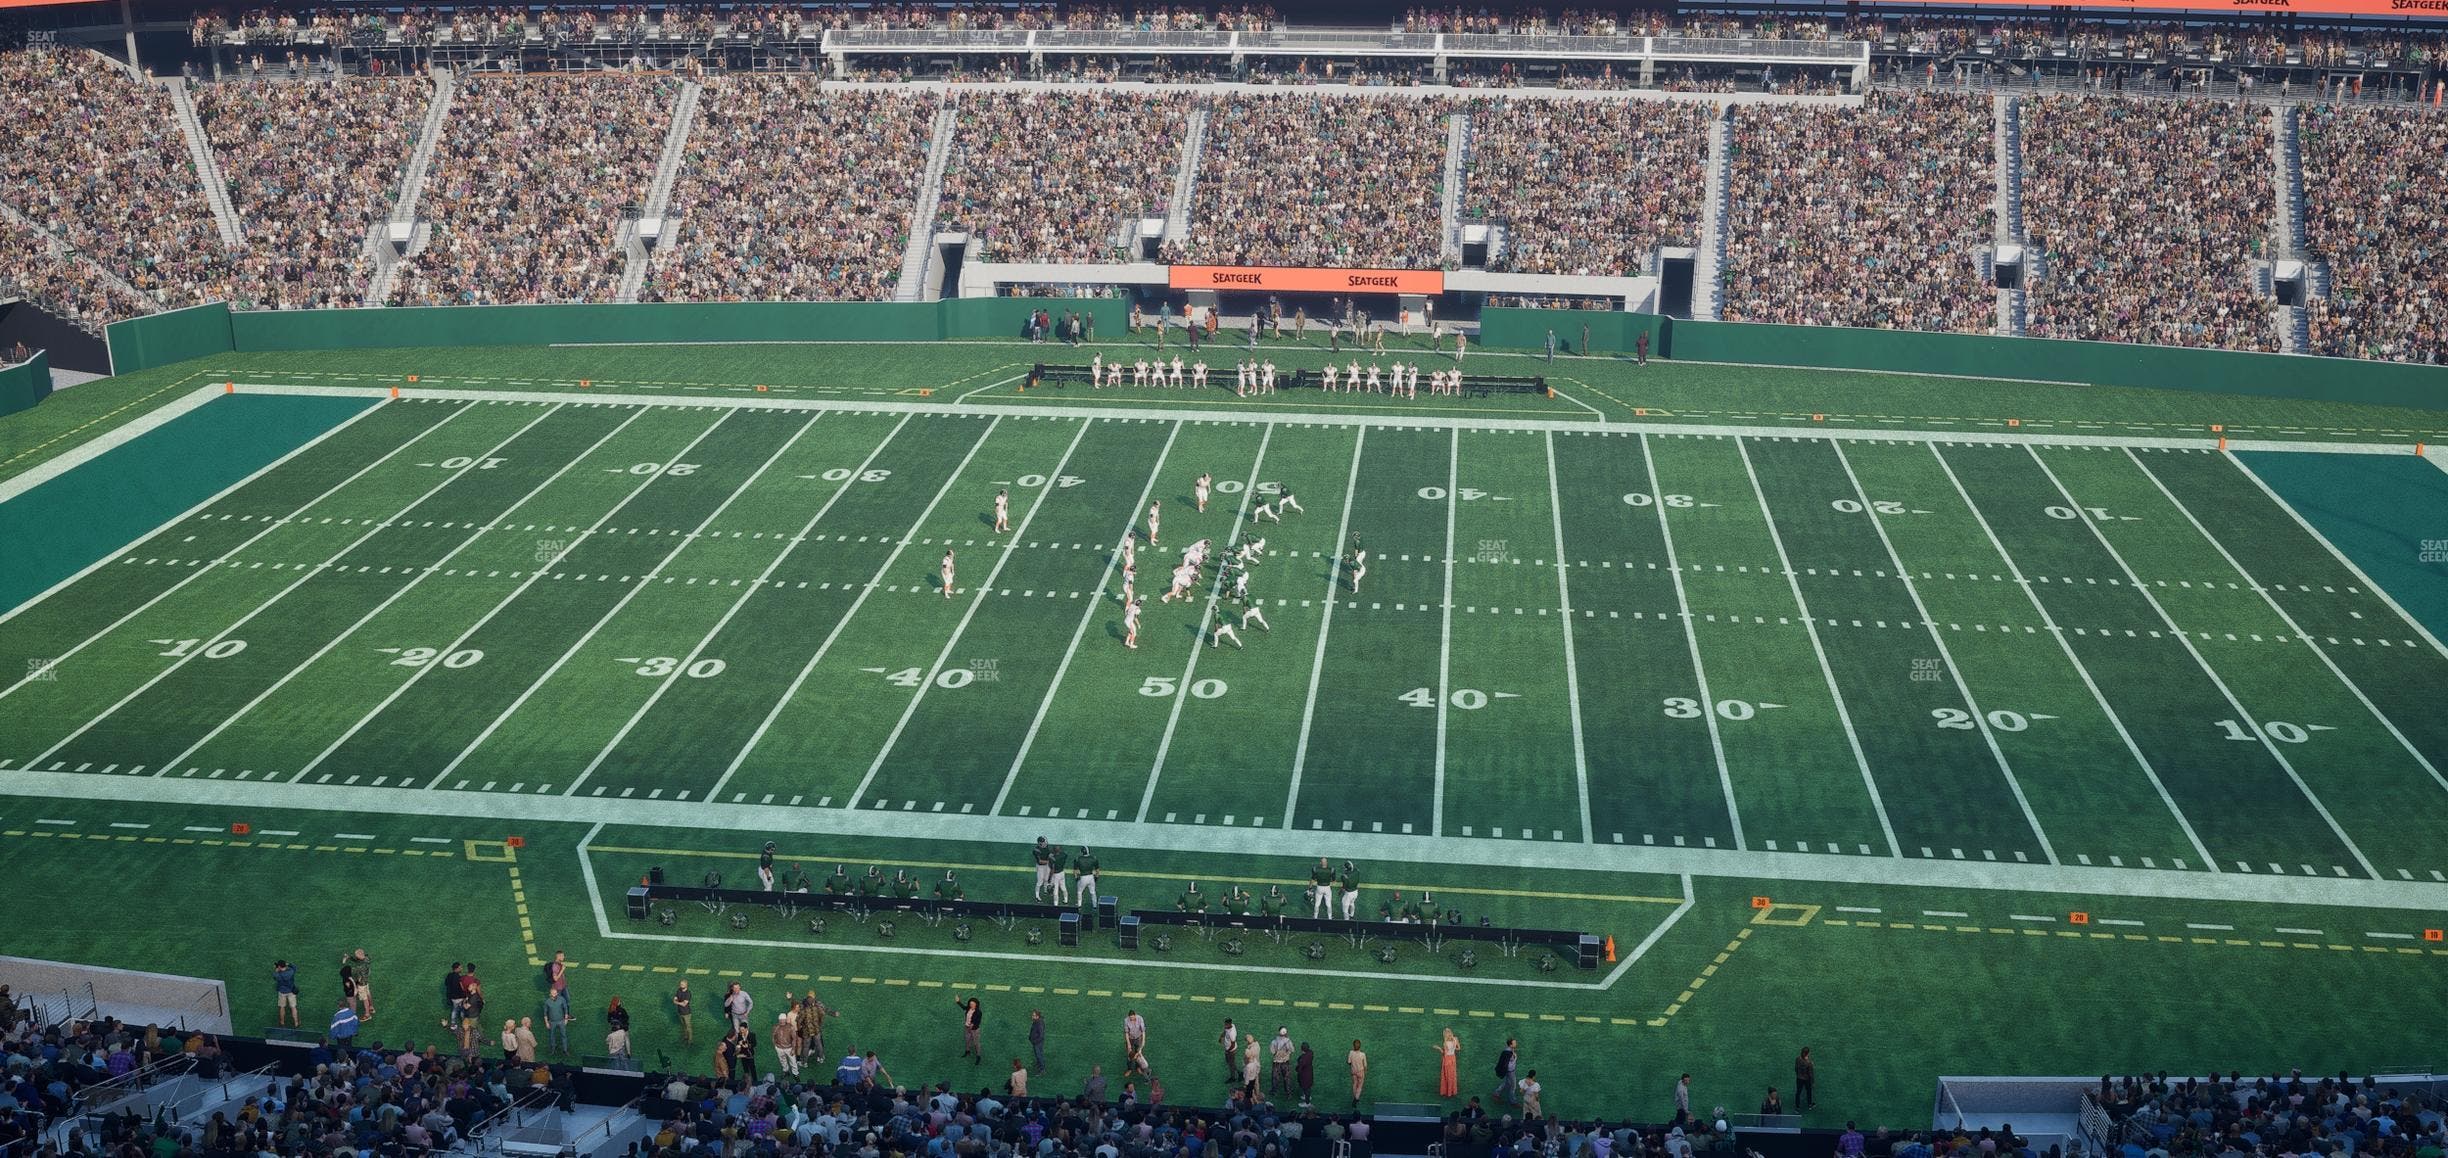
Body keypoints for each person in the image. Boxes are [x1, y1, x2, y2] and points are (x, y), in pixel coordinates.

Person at [543, 987, 570, 1054]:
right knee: (552, 1036)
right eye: (553, 993)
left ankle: (565, 1050)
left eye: (555, 993)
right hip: (552, 1022)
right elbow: (545, 1013)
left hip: (561, 1021)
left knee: (563, 1035)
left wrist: (566, 1019)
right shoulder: (547, 1002)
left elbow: (565, 1009)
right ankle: (553, 1049)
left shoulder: (562, 999)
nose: (554, 994)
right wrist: (546, 1022)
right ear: (550, 994)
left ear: (557, 993)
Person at [958, 996, 984, 1063]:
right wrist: (958, 1001)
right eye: (970, 1004)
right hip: (967, 1027)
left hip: (974, 1030)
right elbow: (963, 1007)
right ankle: (967, 1051)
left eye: (973, 1004)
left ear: (976, 1004)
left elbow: (978, 1021)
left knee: (976, 1043)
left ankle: (978, 1056)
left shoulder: (978, 1012)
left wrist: (973, 1024)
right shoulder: (969, 1008)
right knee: (967, 1040)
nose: (971, 1005)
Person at [273, 960, 298, 1028]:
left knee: (282, 1007)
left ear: (279, 967)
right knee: (293, 1007)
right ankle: (296, 1023)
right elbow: (295, 967)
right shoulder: (291, 971)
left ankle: (282, 1022)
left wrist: (276, 970)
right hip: (291, 991)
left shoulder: (278, 975)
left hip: (282, 992)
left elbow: (274, 976)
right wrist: (289, 964)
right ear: (285, 965)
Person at [1437, 1028, 1460, 1098]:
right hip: (1453, 1058)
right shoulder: (1456, 1039)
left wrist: (1439, 1048)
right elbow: (1459, 1048)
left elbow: (1445, 1053)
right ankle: (1452, 1091)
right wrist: (1453, 1048)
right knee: (1452, 1075)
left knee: (1447, 1075)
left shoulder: (1445, 1043)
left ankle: (1447, 1092)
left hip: (1447, 1059)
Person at [1494, 1037, 1518, 1105]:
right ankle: (1513, 1102)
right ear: (1510, 1045)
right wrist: (1515, 1058)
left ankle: (1496, 1093)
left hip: (1509, 1071)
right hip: (1510, 1071)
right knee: (1513, 1086)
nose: (1516, 1044)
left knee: (1506, 1083)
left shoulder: (1510, 1050)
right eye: (1514, 1043)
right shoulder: (1508, 1053)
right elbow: (1508, 1065)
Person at [671, 979, 694, 1044]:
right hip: (680, 1012)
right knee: (683, 1025)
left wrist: (677, 1002)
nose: (681, 985)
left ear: (686, 985)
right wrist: (679, 1002)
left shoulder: (688, 993)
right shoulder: (678, 990)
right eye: (680, 984)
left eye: (682, 984)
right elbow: (674, 1000)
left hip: (686, 1013)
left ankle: (690, 1040)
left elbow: (684, 1004)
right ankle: (686, 1037)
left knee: (688, 1027)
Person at [1347, 1040, 1368, 1107]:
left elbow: (1349, 1062)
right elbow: (1365, 1065)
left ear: (1353, 1046)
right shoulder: (1363, 1054)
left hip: (1354, 1071)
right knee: (1360, 1086)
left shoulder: (1351, 1052)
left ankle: (1355, 1097)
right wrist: (1365, 1071)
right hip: (1361, 1071)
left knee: (1354, 1084)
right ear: (1360, 1046)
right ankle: (1356, 1098)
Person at [1219, 1019, 1240, 1083]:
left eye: (1226, 1024)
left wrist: (1228, 1051)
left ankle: (1233, 1077)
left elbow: (1233, 1045)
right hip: (1228, 1049)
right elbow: (1225, 1031)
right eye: (1225, 1024)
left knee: (1231, 1064)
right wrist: (1221, 1037)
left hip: (1231, 1050)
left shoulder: (1232, 1033)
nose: (1225, 1025)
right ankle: (1239, 1072)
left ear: (1229, 1024)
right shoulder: (1231, 1025)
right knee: (1230, 1062)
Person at [1029, 1010, 1047, 1074]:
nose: (1032, 1016)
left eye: (1033, 1015)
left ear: (1037, 1016)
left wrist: (1035, 1041)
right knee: (1038, 1055)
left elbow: (1041, 1036)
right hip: (1036, 1042)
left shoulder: (1039, 1023)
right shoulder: (1036, 1021)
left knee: (1039, 1055)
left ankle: (1042, 1069)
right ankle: (1039, 1064)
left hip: (1038, 1043)